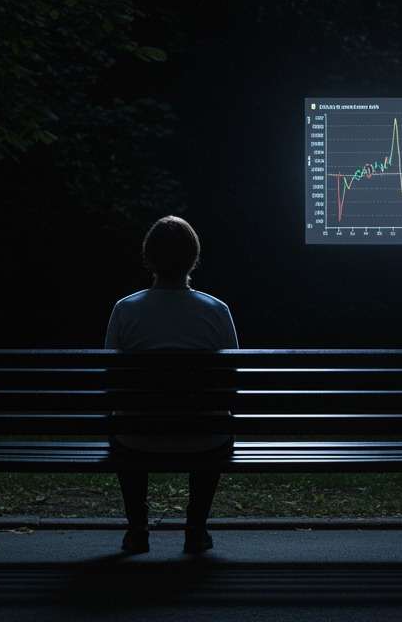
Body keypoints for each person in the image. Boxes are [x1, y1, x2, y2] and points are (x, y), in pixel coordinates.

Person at [105, 215, 238, 554]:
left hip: (138, 438)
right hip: (205, 438)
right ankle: (196, 528)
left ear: (148, 259)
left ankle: (137, 528)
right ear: (194, 259)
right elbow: (232, 381)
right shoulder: (216, 310)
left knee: (126, 426)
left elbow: (111, 379)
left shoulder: (125, 309)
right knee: (211, 423)